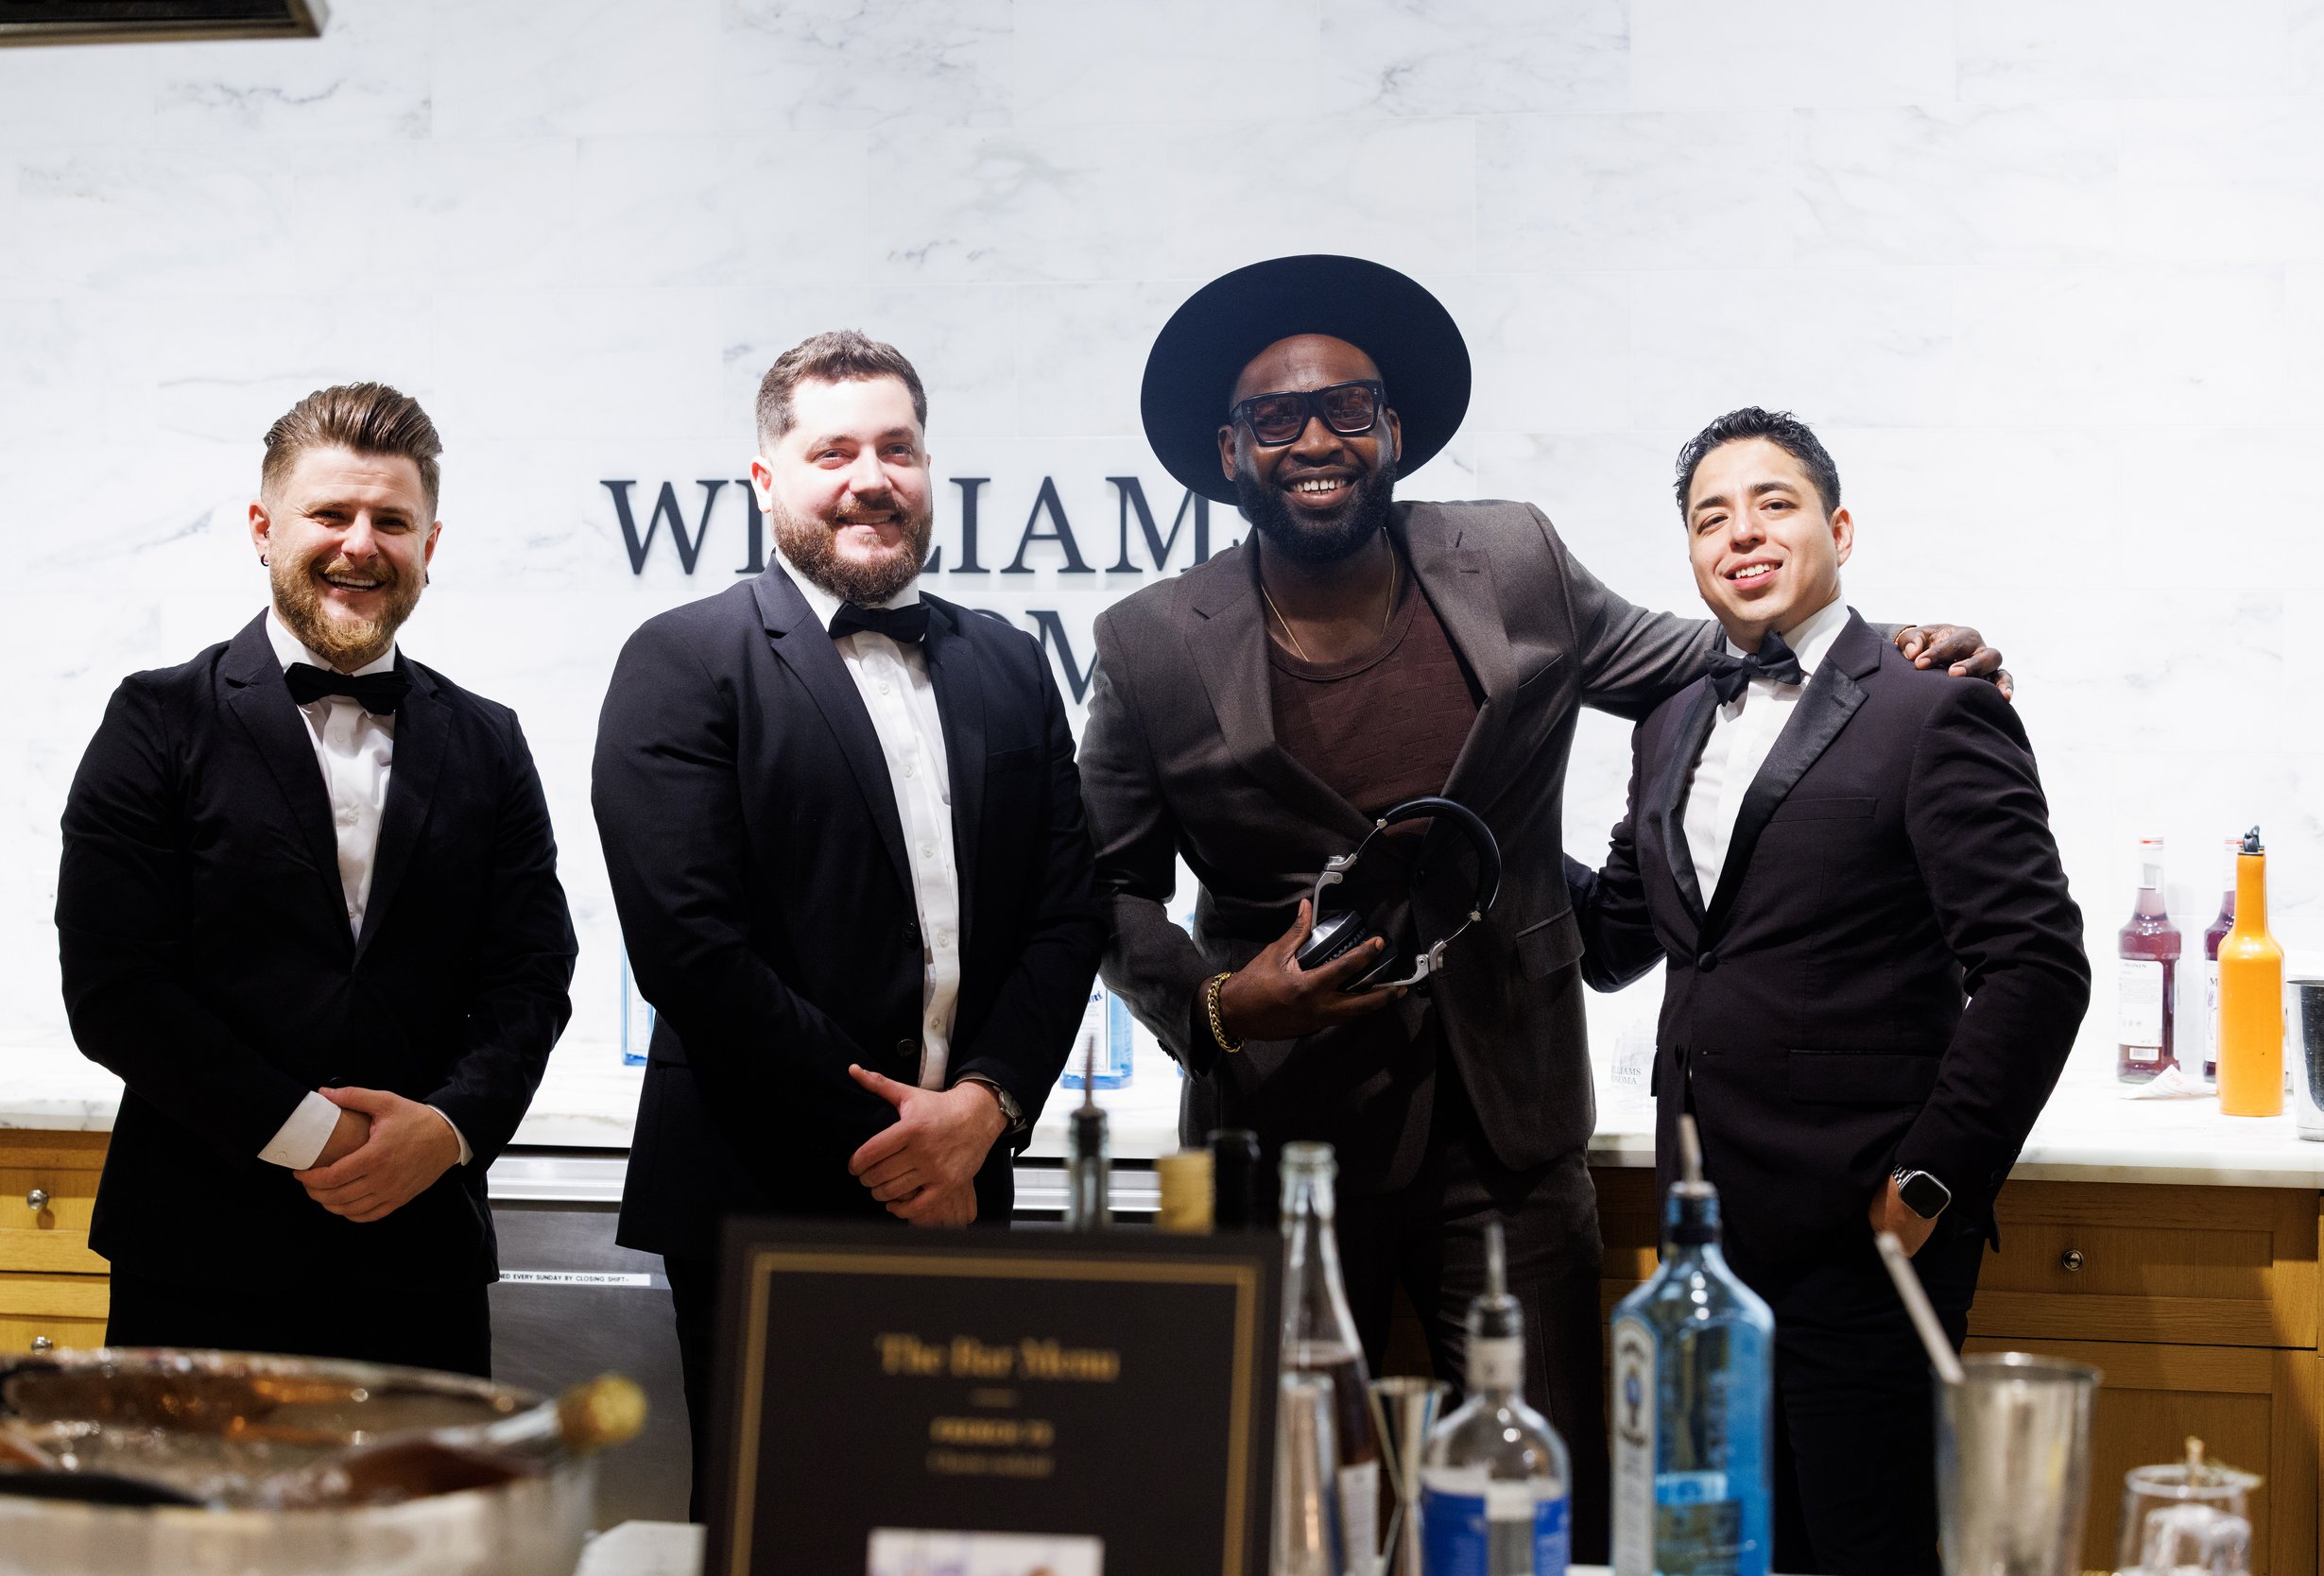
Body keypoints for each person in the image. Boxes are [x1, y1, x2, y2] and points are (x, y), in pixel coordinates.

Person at [1078, 254, 2004, 1560]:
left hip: (1505, 1133)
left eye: (1347, 406)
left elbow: (1728, 661)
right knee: (1274, 1516)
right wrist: (1221, 1005)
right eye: (1276, 419)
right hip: (1278, 1137)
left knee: (1550, 1512)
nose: (1317, 439)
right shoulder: (1147, 642)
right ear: (1229, 453)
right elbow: (1103, 891)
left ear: (1394, 431)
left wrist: (1902, 655)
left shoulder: (1509, 558)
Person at [1575, 407, 2089, 1575]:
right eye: (1711, 516)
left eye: (1773, 503)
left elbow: (2036, 964)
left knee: (1869, 1549)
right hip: (1705, 1248)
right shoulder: (1670, 719)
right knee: (1732, 1550)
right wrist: (1478, 843)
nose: (1740, 532)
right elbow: (1616, 935)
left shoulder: (1932, 700)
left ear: (1838, 528)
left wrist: (1923, 1188)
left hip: (1866, 1240)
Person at [593, 331, 1100, 1509]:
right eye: (833, 451)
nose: (871, 477)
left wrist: (982, 1110)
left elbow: (1067, 913)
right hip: (763, 1200)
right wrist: (902, 1142)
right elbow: (690, 947)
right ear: (767, 481)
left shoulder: (1013, 665)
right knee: (784, 1530)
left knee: (962, 1532)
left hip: (969, 1184)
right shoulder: (681, 659)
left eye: (898, 448)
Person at [56, 383, 577, 1377]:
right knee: (199, 1539)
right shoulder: (156, 721)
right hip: (199, 1257)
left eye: (392, 520)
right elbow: (116, 989)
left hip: (421, 1259)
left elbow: (531, 977)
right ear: (263, 528)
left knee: (416, 1535)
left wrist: (452, 1127)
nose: (361, 543)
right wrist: (316, 1137)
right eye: (330, 514)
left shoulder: (489, 741)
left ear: (431, 542)